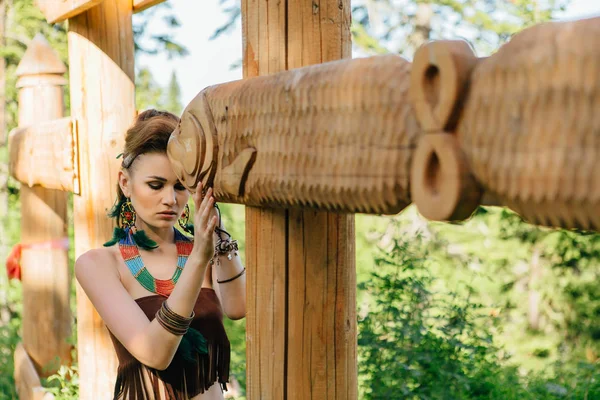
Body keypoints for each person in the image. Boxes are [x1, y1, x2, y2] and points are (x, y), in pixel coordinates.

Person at [75, 109, 246, 400]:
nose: (170, 199)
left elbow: (238, 307)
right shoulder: (98, 265)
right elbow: (155, 353)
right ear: (125, 183)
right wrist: (199, 258)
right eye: (155, 185)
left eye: (180, 186)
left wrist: (219, 233)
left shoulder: (205, 250)